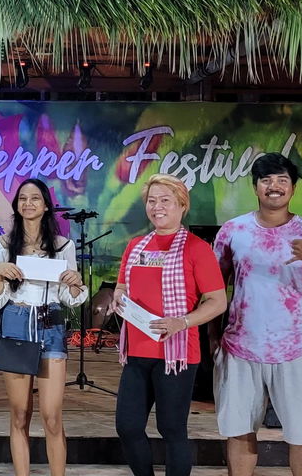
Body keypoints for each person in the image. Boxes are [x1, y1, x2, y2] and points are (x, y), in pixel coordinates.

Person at [211, 154, 302, 476]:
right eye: (266, 180)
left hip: (297, 348)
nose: (274, 187)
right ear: (255, 187)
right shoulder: (233, 230)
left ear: (293, 187)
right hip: (241, 347)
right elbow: (215, 289)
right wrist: (213, 337)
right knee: (239, 432)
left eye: (282, 180)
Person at [110, 174, 227, 476]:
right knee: (127, 425)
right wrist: (118, 299)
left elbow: (217, 301)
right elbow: (122, 287)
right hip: (137, 352)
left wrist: (183, 321)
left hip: (176, 356)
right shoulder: (136, 246)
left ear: (181, 206)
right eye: (152, 200)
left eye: (166, 200)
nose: (157, 207)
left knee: (172, 428)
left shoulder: (197, 249)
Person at [0, 178, 88, 476]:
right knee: (19, 414)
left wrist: (75, 283)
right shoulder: (2, 244)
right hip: (16, 322)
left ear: (46, 205)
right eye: (22, 199)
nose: (28, 203)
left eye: (35, 198)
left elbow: (72, 299)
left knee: (52, 415)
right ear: (17, 205)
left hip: (51, 324)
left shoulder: (63, 246)